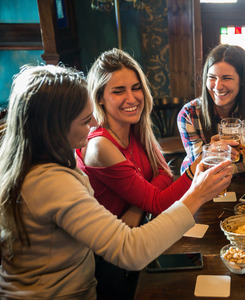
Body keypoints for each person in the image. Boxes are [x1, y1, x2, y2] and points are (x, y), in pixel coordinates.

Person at [0, 64, 232, 299]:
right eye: (84, 120)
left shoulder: (47, 161)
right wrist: (198, 193)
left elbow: (162, 175)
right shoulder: (50, 182)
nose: (92, 125)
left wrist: (138, 204)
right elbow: (132, 251)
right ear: (53, 127)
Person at [75, 48, 216, 298]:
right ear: (99, 98)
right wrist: (196, 168)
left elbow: (164, 173)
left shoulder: (134, 126)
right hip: (112, 262)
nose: (132, 98)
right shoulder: (100, 145)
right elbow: (159, 202)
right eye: (119, 91)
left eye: (136, 87)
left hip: (141, 233)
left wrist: (138, 206)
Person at [177, 44, 245, 174]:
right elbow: (197, 167)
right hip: (202, 182)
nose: (217, 86)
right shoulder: (188, 114)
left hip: (242, 181)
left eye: (227, 78)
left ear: (242, 81)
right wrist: (210, 153)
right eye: (212, 77)